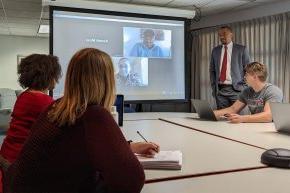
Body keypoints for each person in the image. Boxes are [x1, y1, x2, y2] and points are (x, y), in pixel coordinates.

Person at [4, 48, 159, 193]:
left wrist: (128, 147)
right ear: (107, 81)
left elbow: (79, 144)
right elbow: (132, 181)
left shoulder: (55, 107)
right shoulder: (94, 115)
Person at [0, 54, 62, 193]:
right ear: (47, 75)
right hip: (20, 162)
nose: (56, 80)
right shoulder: (43, 101)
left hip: (7, 155)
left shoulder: (24, 95)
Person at [214, 62, 283, 123]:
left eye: (246, 75)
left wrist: (242, 118)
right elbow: (233, 109)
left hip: (272, 129)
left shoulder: (273, 91)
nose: (244, 77)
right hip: (255, 127)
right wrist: (209, 114)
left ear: (255, 77)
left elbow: (268, 116)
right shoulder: (247, 91)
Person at [210, 26, 250, 109]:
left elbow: (248, 70)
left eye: (224, 34)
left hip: (237, 90)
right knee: (221, 118)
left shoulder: (241, 49)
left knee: (236, 119)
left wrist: (244, 87)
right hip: (220, 90)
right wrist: (214, 88)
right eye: (219, 35)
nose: (221, 37)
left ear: (231, 34)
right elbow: (212, 70)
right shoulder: (215, 50)